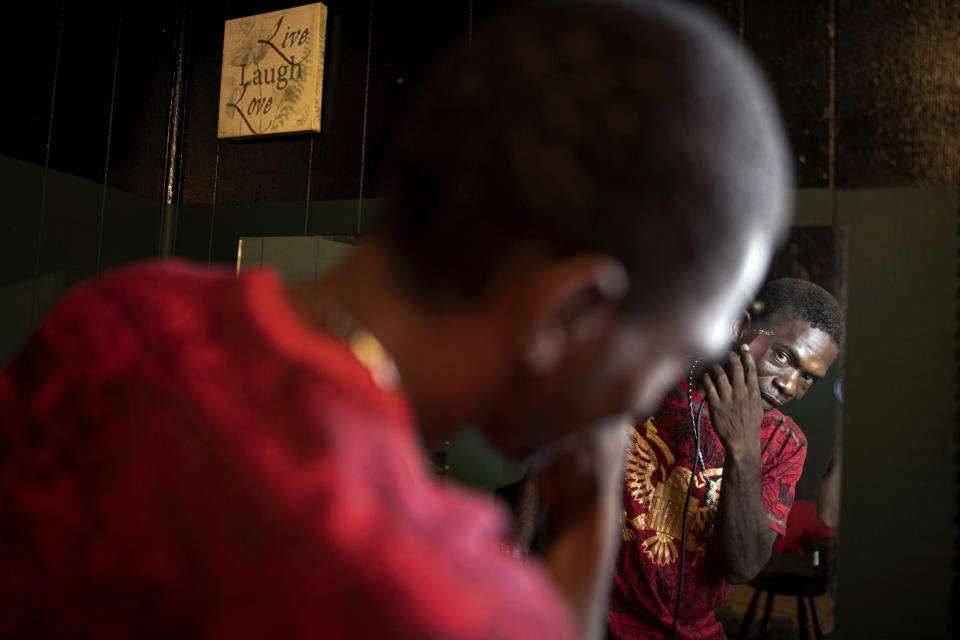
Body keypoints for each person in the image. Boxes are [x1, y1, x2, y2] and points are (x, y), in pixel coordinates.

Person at [0, 1, 792, 638]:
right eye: (674, 351)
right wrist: (587, 530)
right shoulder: (439, 596)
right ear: (569, 313)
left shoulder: (117, 317)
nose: (657, 388)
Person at [609, 278, 844, 640]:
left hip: (693, 631)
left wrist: (744, 448)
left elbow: (743, 567)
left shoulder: (785, 443)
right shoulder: (647, 377)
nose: (790, 386)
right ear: (741, 328)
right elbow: (555, 454)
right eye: (783, 356)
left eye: (808, 378)